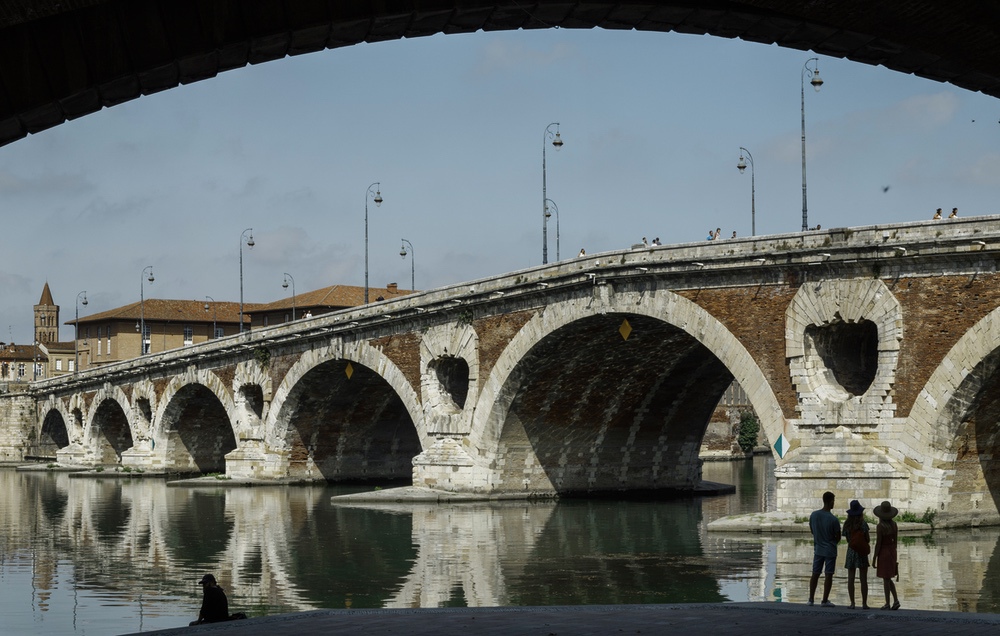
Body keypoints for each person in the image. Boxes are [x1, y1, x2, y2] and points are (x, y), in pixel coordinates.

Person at [808, 491, 841, 606]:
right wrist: (832, 542)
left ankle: (811, 599)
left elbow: (812, 530)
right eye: (833, 501)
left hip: (818, 549)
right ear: (830, 501)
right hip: (830, 550)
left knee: (815, 573)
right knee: (828, 574)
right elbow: (838, 536)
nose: (834, 503)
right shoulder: (833, 519)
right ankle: (824, 600)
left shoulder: (814, 515)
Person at [871, 500, 901, 610]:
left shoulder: (880, 526)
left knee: (885, 579)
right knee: (888, 578)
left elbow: (878, 543)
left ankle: (888, 603)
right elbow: (896, 541)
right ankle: (896, 600)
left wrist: (874, 557)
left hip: (884, 552)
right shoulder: (894, 525)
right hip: (892, 551)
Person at [842, 500, 871, 609]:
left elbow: (847, 539)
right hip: (861, 552)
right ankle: (864, 603)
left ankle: (852, 603)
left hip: (851, 551)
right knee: (863, 579)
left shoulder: (847, 524)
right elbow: (867, 539)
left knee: (851, 578)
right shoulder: (863, 524)